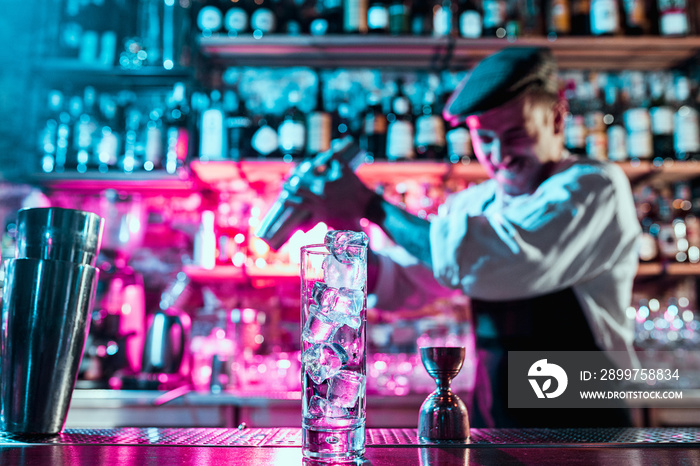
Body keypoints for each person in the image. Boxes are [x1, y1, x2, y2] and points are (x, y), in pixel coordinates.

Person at [293, 46, 641, 427]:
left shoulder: (592, 187)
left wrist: (372, 206)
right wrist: (346, 231)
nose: (499, 155)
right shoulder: (474, 204)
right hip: (499, 416)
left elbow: (504, 259)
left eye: (515, 134)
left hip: (588, 416)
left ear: (557, 117)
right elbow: (409, 279)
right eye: (485, 138)